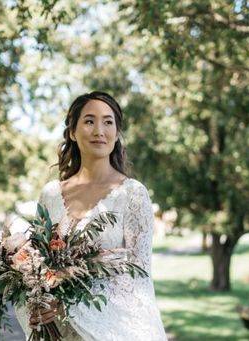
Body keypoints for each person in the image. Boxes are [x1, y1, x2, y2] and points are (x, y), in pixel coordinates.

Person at [14, 91, 167, 340]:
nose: (99, 130)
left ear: (117, 134)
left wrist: (70, 307)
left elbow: (137, 275)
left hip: (115, 330)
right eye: (89, 121)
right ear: (73, 132)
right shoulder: (51, 194)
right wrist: (39, 301)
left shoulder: (132, 194)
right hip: (60, 332)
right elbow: (37, 263)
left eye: (108, 122)